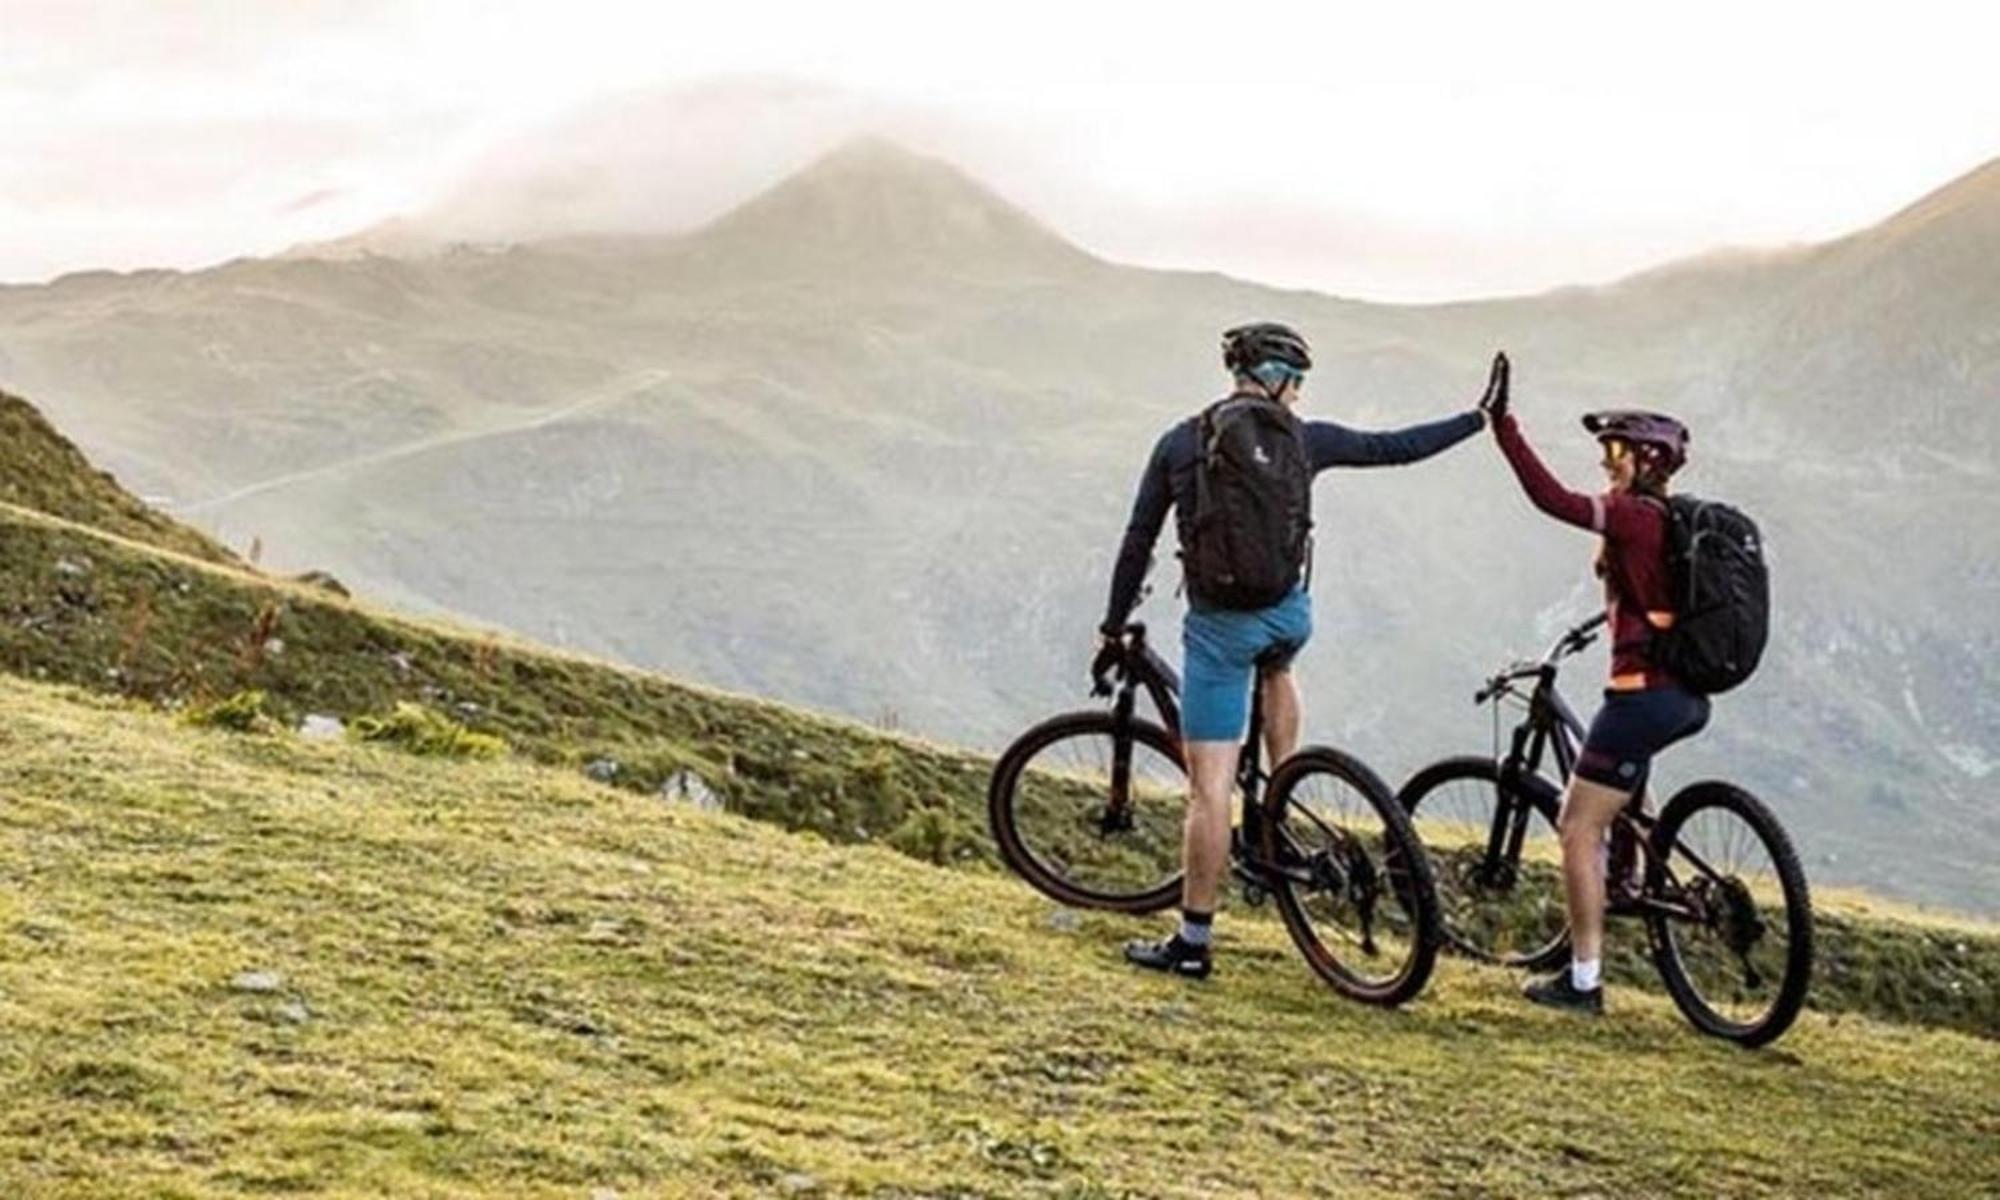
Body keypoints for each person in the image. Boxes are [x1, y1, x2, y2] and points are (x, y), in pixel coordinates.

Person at [1102, 322, 1488, 979]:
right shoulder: (1306, 441)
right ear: (1278, 379)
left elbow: (1139, 537)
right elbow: (1396, 448)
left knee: (1209, 793)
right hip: (1288, 615)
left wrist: (1113, 625)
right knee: (1279, 661)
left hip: (1219, 630)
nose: (1301, 394)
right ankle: (1282, 792)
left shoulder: (1180, 443)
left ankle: (1193, 942)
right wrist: (1478, 419)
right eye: (1298, 381)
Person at [1479, 352, 1707, 1014]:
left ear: (1647, 462)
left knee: (1577, 826)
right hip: (1682, 695)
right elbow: (1650, 597)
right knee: (1618, 800)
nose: (1607, 462)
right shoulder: (1665, 523)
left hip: (1641, 695)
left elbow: (1551, 499)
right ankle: (1636, 878)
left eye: (1617, 451)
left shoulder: (1634, 517)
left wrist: (1504, 428)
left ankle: (1583, 982)